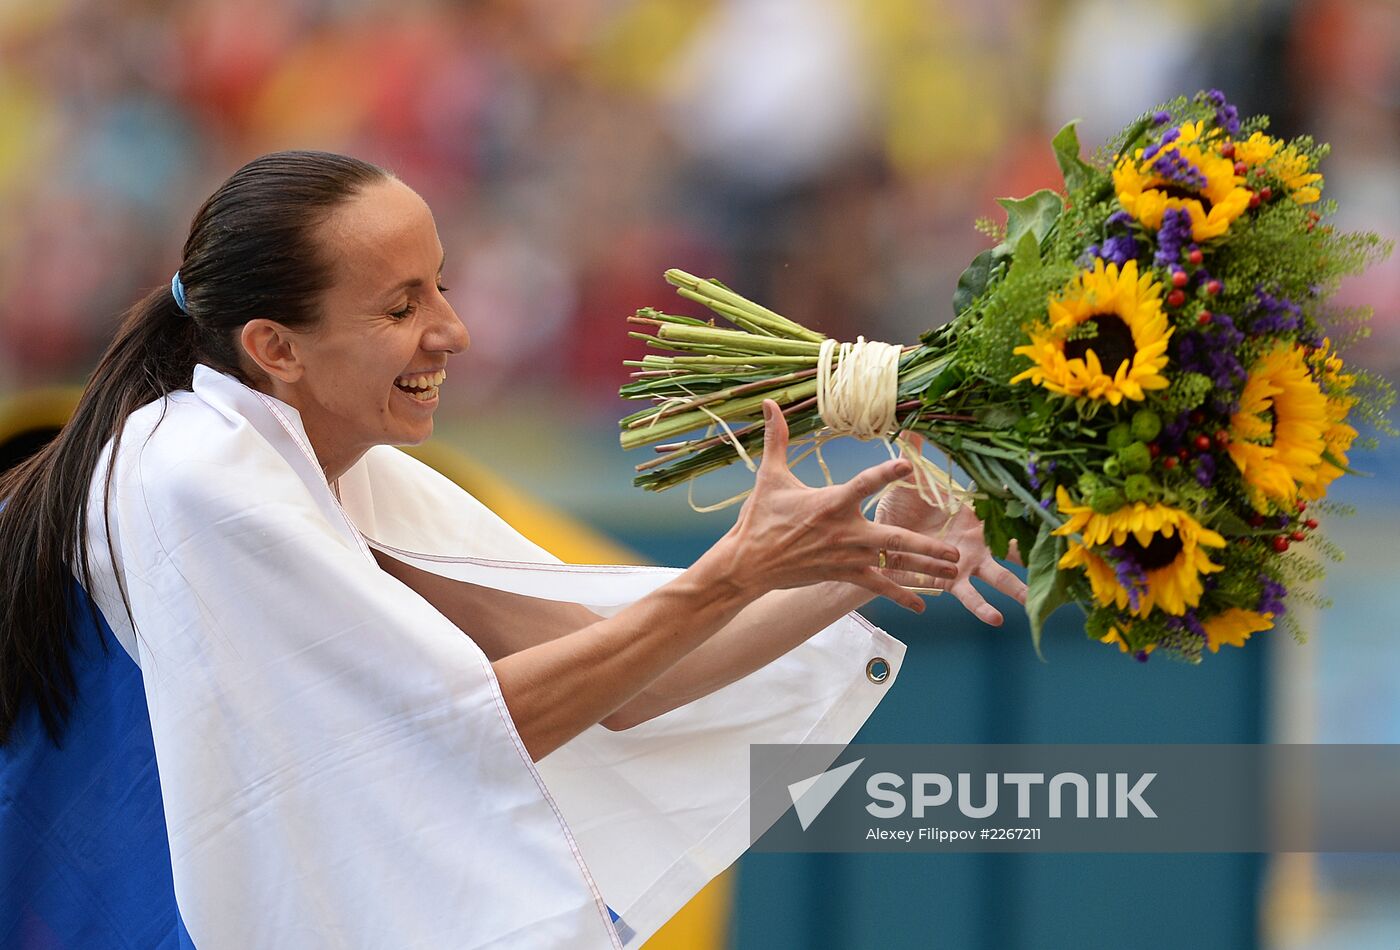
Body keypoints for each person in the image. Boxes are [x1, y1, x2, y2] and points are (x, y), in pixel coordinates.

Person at [0, 151, 1026, 948]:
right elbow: (468, 731)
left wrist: (862, 555)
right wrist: (736, 570)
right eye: (401, 306)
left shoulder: (329, 456)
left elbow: (615, 674)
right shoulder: (197, 476)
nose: (453, 329)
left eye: (439, 285)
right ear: (275, 347)